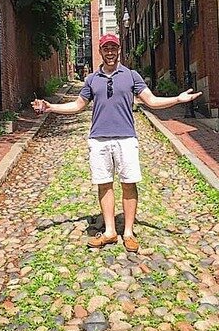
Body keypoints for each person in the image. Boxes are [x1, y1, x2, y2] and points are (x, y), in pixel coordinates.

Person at [31, 33, 202, 253]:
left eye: (113, 48)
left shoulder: (131, 76)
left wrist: (178, 99)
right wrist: (50, 107)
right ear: (101, 52)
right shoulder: (92, 80)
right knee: (104, 184)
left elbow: (151, 101)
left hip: (126, 138)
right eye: (106, 49)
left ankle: (128, 232)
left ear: (119, 50)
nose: (110, 52)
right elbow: (77, 105)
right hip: (99, 139)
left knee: (129, 183)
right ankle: (110, 231)